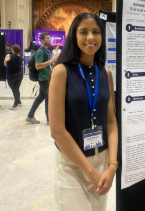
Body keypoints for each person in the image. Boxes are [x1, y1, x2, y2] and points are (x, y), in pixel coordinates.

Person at [49, 12, 118, 211]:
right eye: (83, 32)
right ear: (74, 36)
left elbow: (112, 122)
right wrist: (90, 172)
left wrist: (112, 166)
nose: (90, 37)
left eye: (96, 32)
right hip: (73, 166)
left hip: (102, 161)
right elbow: (57, 131)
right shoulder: (62, 71)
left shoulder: (106, 72)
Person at [25, 32, 57, 124]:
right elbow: (38, 66)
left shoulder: (46, 50)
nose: (49, 40)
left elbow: (47, 64)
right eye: (47, 38)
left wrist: (54, 62)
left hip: (47, 77)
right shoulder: (40, 51)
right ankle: (49, 120)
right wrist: (52, 60)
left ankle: (30, 116)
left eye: (50, 38)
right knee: (48, 98)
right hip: (43, 79)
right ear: (42, 40)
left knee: (40, 97)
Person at [4, 44, 23, 110]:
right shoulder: (21, 58)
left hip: (11, 75)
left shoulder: (9, 55)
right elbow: (20, 66)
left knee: (14, 90)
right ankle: (19, 102)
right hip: (19, 75)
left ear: (13, 50)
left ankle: (15, 105)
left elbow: (5, 64)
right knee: (16, 89)